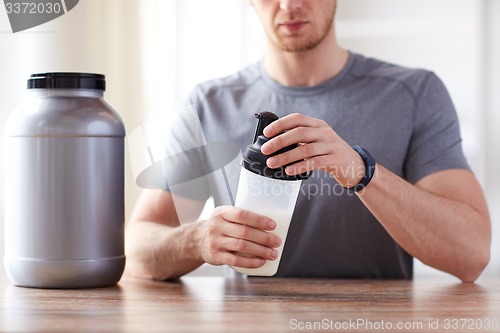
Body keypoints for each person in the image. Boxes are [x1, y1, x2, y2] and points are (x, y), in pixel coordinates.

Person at [125, 0, 491, 282]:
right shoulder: (208, 105)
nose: (289, 5)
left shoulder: (415, 94)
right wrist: (197, 240)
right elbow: (137, 249)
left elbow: (471, 254)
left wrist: (360, 170)